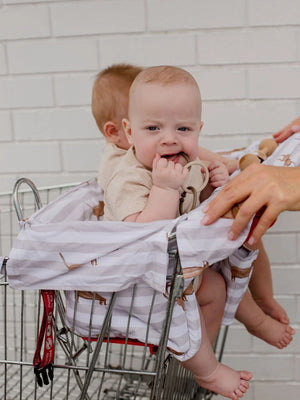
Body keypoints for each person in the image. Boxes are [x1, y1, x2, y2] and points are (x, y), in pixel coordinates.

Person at [102, 65, 253, 399]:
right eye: (153, 127)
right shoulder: (129, 179)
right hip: (134, 281)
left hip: (170, 273)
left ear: (198, 130)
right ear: (129, 132)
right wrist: (165, 189)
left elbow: (189, 212)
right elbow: (144, 240)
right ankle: (207, 371)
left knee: (215, 287)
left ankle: (193, 357)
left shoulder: (177, 167)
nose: (169, 138)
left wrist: (213, 188)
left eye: (183, 128)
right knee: (182, 302)